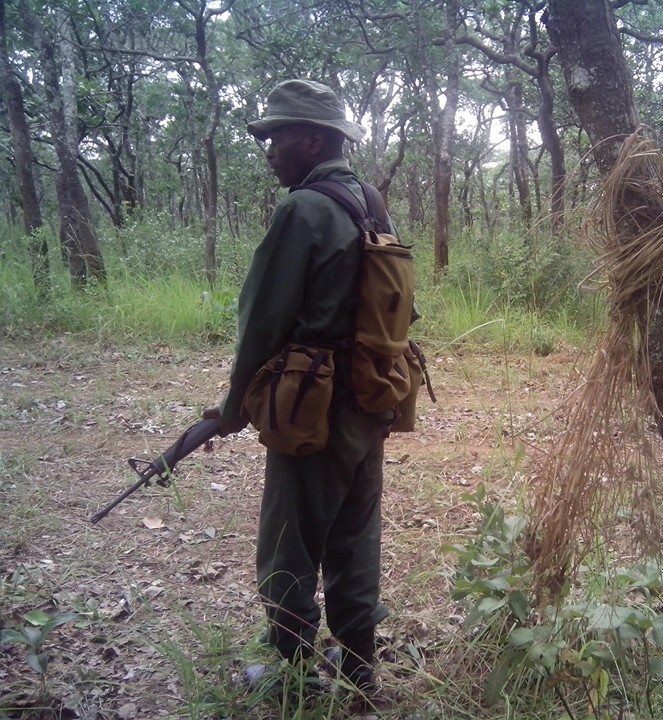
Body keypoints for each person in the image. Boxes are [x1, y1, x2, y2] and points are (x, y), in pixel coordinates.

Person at [203, 79, 391, 707]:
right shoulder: (367, 199)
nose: (269, 151)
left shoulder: (302, 210)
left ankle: (293, 677)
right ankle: (360, 669)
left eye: (277, 137)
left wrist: (234, 407)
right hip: (370, 397)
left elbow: (262, 321)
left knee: (289, 543)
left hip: (312, 407)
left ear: (312, 141)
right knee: (355, 537)